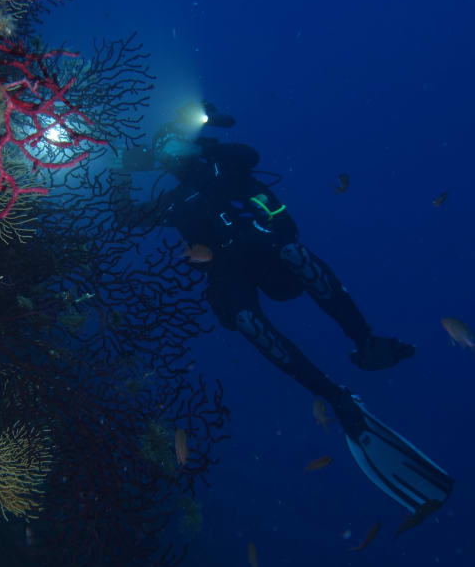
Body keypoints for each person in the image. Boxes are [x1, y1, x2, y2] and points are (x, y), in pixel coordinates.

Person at [112, 101, 453, 513]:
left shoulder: (224, 166)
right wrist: (119, 170)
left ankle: (366, 342)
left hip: (267, 252)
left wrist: (204, 145)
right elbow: (129, 216)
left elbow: (249, 156)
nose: (172, 152)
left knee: (296, 255)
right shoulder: (173, 201)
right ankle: (334, 397)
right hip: (226, 272)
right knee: (246, 321)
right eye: (163, 149)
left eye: (175, 143)